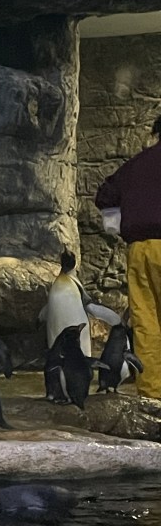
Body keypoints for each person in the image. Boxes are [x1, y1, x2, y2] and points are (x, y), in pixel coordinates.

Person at [95, 114, 161, 398]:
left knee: (146, 321)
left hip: (139, 249)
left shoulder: (137, 165)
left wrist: (115, 221)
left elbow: (105, 195)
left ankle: (153, 392)